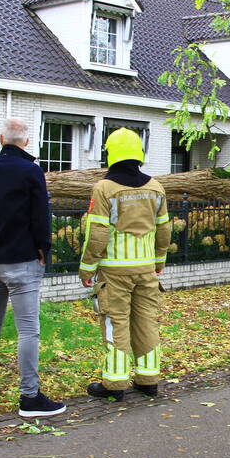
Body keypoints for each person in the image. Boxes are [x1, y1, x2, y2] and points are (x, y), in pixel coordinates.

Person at [0, 118, 65, 417]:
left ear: (0, 139)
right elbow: (40, 215)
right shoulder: (31, 170)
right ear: (27, 141)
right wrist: (43, 249)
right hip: (21, 260)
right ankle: (29, 397)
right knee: (27, 331)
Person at [79, 128, 171, 400]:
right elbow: (164, 230)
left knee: (115, 322)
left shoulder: (105, 188)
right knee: (146, 322)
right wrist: (159, 261)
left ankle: (115, 384)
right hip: (146, 270)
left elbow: (97, 233)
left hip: (114, 270)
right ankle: (148, 380)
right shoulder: (156, 187)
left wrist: (87, 267)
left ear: (111, 154)